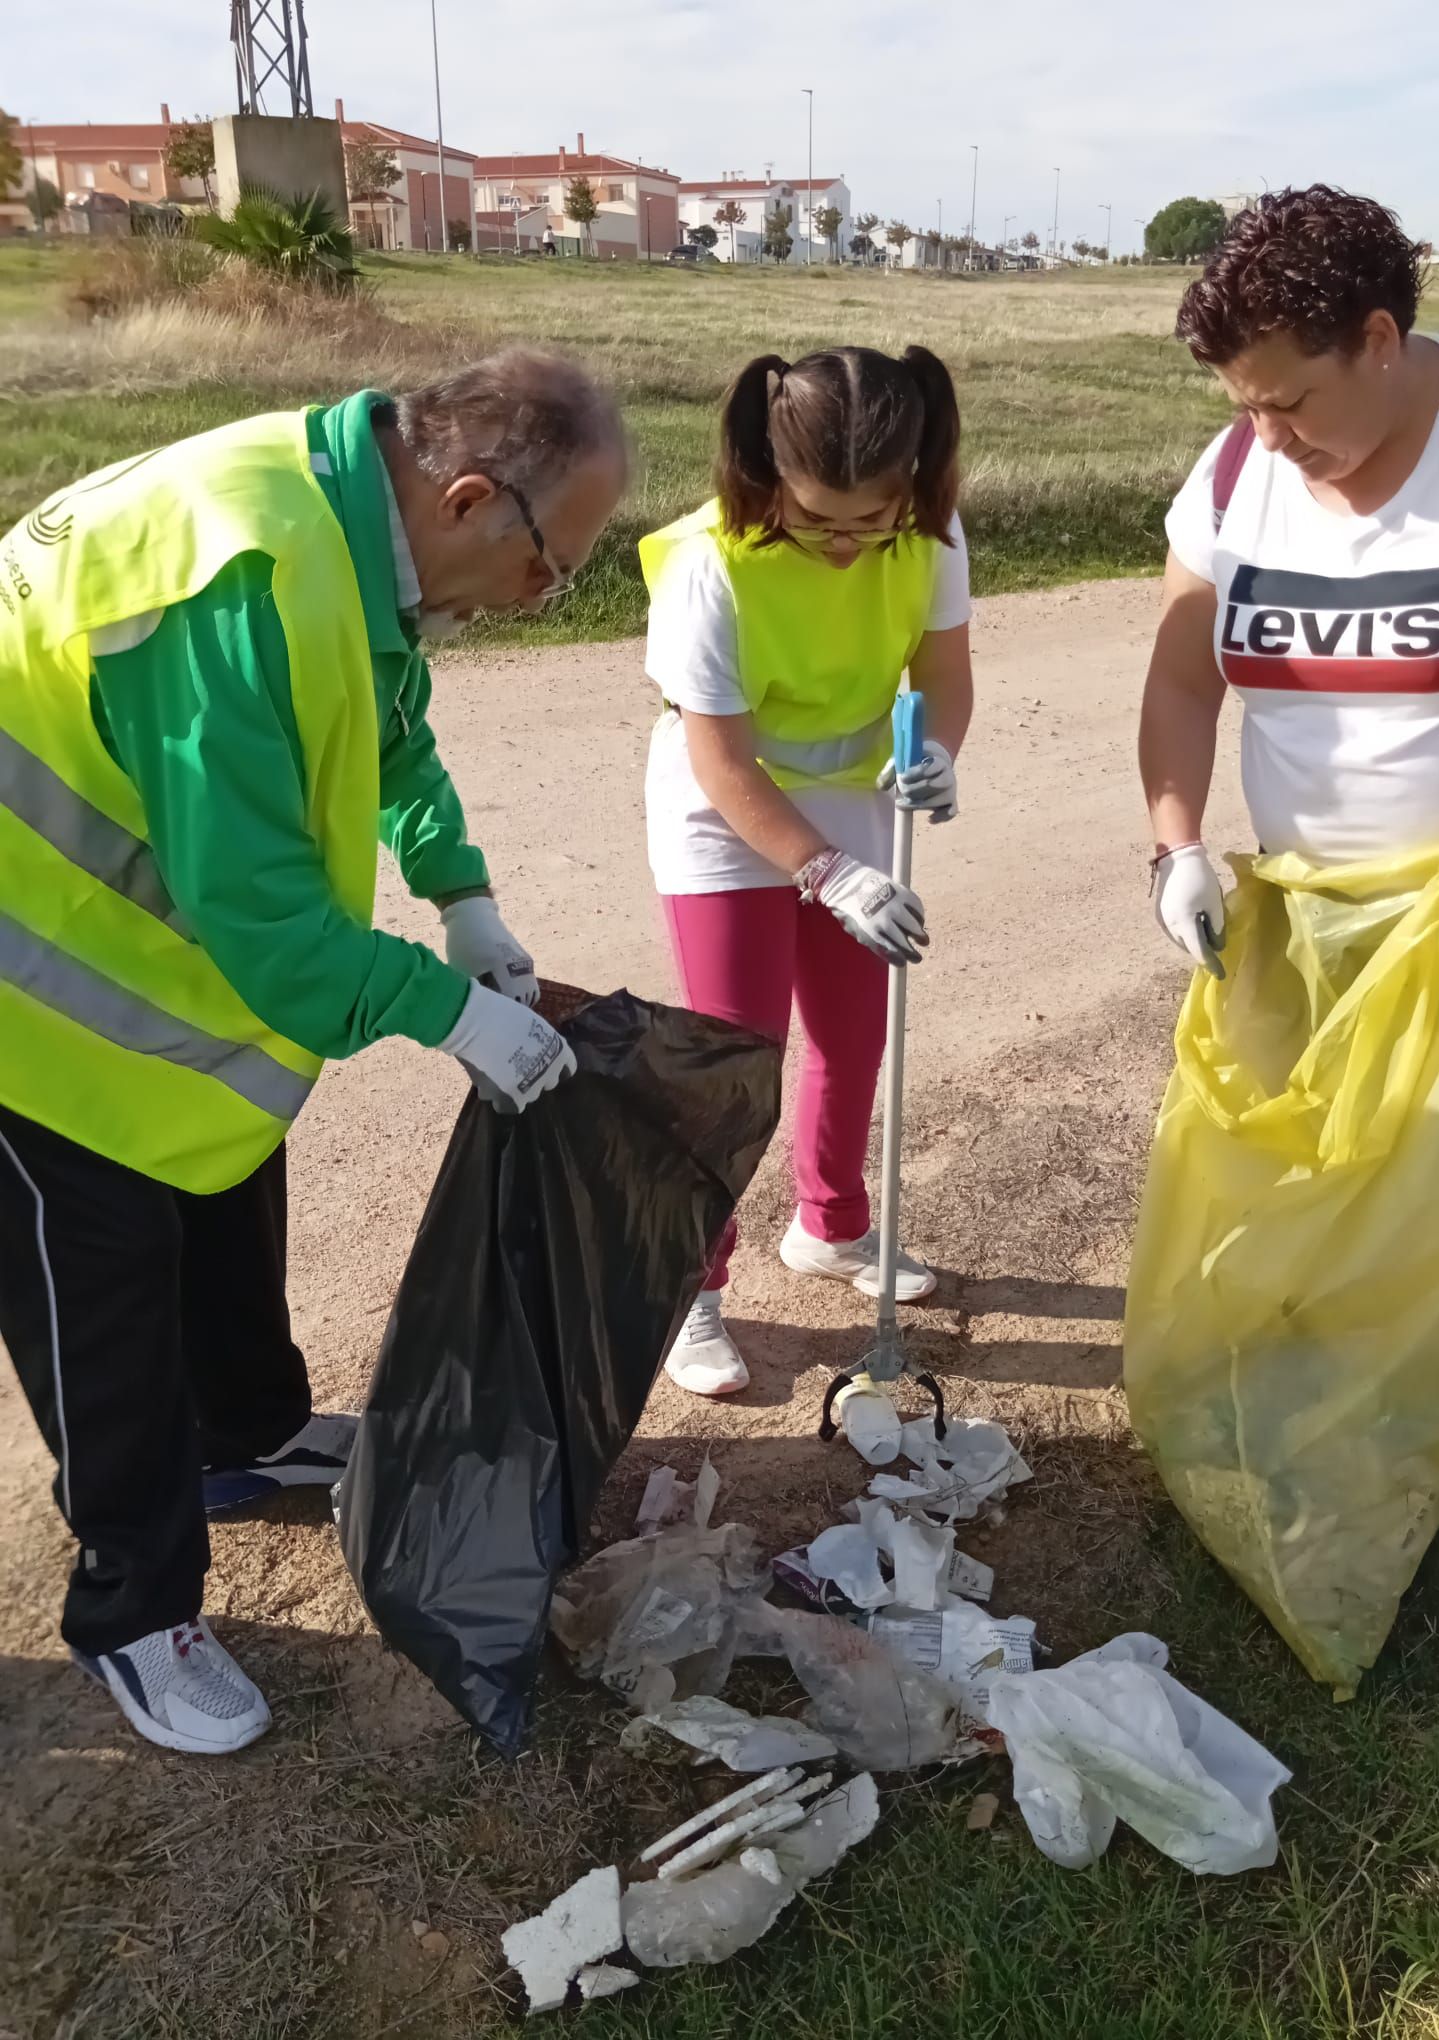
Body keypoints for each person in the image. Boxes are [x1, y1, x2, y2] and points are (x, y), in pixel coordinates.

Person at [0, 349, 627, 1753]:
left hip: (146, 945)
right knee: (100, 1294)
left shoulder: (353, 514)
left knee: (226, 1184)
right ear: (471, 500)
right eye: (555, 568)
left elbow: (387, 730)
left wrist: (463, 898)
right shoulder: (239, 577)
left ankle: (246, 1433)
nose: (547, 601)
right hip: (27, 997)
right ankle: (134, 1610)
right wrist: (452, 1014)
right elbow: (273, 930)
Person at [1140, 183, 1439, 1434]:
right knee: (1345, 1162)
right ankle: (1373, 1370)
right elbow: (1182, 671)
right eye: (1243, 407)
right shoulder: (1236, 471)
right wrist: (1175, 845)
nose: (1267, 437)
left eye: (1291, 402)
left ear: (1378, 339)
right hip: (1314, 915)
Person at [638, 346, 973, 1397]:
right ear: (765, 474)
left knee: (853, 1033)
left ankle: (830, 1227)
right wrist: (827, 873)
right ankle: (691, 1289)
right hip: (724, 810)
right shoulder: (709, 563)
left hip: (858, 794)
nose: (846, 541)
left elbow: (947, 683)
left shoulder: (933, 535)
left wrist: (937, 756)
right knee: (732, 1062)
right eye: (820, 516)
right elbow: (722, 763)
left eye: (871, 518)